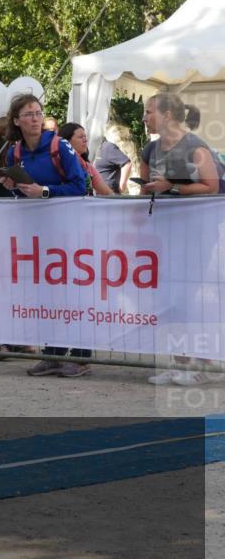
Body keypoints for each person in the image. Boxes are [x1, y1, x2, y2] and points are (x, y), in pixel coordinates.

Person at [0, 94, 89, 378]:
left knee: (73, 293)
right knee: (45, 294)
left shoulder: (58, 145)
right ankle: (52, 354)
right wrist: (12, 185)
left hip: (70, 229)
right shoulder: (14, 153)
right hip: (37, 232)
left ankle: (81, 357)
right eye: (28, 114)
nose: (35, 118)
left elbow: (79, 186)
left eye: (38, 112)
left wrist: (45, 191)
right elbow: (23, 193)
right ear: (17, 121)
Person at [140, 93, 221, 386]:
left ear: (168, 116)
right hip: (165, 233)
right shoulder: (150, 149)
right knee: (170, 299)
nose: (144, 118)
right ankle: (178, 362)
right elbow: (145, 188)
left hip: (198, 232)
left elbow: (212, 187)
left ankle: (203, 363)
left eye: (149, 112)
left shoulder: (195, 147)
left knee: (192, 299)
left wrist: (172, 187)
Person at [58, 123, 113, 196]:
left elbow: (107, 193)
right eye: (80, 137)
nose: (85, 140)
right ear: (67, 141)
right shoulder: (56, 162)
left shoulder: (87, 166)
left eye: (85, 137)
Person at [94, 123, 136, 195]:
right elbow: (127, 164)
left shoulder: (103, 147)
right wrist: (122, 186)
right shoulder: (109, 147)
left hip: (105, 192)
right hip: (109, 193)